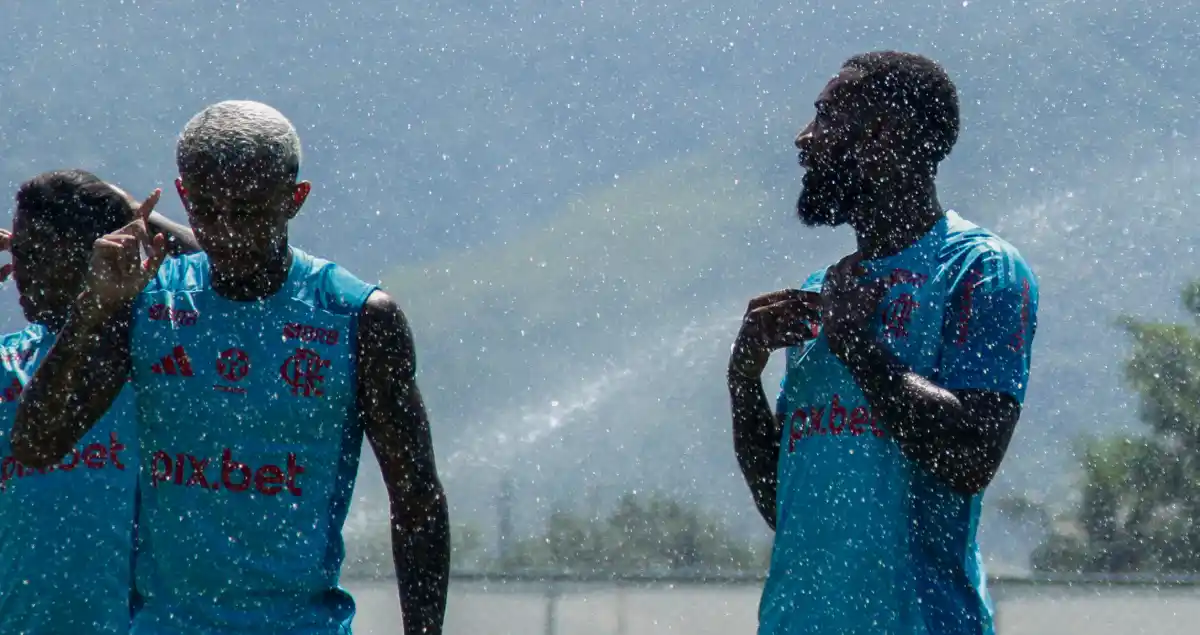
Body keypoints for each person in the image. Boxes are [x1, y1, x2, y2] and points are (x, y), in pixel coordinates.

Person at [12, 101, 450, 634]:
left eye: (245, 211)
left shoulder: (357, 318)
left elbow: (417, 500)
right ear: (182, 196)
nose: (224, 231)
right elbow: (37, 444)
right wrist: (94, 306)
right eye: (205, 209)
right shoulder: (148, 303)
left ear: (294, 199)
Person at [728, 52, 1039, 635]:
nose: (804, 138)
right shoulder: (823, 292)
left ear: (883, 135)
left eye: (826, 118)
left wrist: (862, 352)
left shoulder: (977, 269)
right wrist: (744, 383)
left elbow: (972, 459)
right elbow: (788, 511)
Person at [0, 169, 199, 634]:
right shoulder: (9, 360)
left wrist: (137, 219)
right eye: (20, 252)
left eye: (40, 253)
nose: (23, 271)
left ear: (98, 253)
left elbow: (237, 272)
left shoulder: (159, 352)